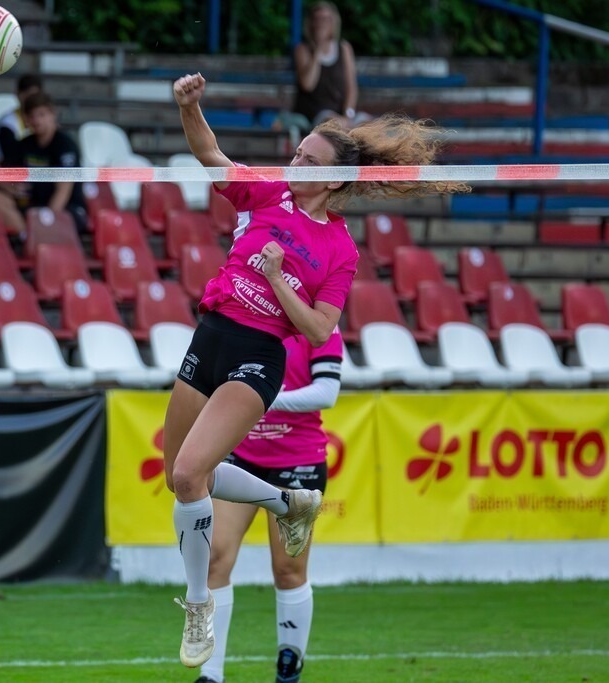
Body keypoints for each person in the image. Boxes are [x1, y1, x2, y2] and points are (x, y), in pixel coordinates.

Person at [167, 72, 467, 669]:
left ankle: (199, 607)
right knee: (180, 478)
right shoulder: (266, 193)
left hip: (259, 354)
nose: (292, 159)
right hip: (213, 334)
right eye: (295, 151)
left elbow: (319, 330)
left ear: (330, 177)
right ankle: (288, 501)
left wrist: (278, 276)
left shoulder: (340, 248)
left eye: (305, 157)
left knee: (191, 471)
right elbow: (209, 154)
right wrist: (189, 108)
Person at [196, 329, 344, 683]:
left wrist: (260, 398)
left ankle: (289, 666)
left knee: (288, 570)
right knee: (215, 557)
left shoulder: (321, 322)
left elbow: (327, 392)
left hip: (299, 460)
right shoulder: (243, 314)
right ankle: (210, 674)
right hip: (240, 454)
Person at [0, 92, 87, 233]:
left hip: (67, 209)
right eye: (32, 116)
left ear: (53, 115)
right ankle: (25, 235)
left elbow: (63, 191)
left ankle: (34, 235)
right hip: (33, 206)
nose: (37, 120)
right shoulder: (25, 144)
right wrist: (11, 187)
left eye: (42, 115)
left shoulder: (65, 145)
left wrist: (45, 221)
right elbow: (1, 173)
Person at [292, 2, 360, 128]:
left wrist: (348, 114)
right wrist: (318, 50)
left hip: (342, 114)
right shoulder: (302, 49)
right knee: (331, 122)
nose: (321, 23)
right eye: (317, 19)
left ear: (334, 22)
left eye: (326, 19)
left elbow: (351, 89)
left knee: (370, 124)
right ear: (311, 22)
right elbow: (307, 84)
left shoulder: (344, 48)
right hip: (315, 113)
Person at [0, 73, 42, 165]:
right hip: (0, 169)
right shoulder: (7, 122)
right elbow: (11, 157)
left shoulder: (43, 122)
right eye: (27, 95)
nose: (31, 101)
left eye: (34, 96)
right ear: (18, 95)